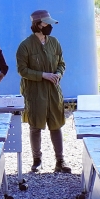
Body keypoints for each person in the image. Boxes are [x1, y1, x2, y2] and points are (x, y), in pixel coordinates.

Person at [16, 9, 70, 173]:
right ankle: (36, 160)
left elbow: (61, 63)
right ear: (37, 24)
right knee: (35, 126)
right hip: (34, 91)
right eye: (46, 23)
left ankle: (60, 161)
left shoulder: (54, 42)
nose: (50, 26)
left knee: (56, 125)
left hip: (53, 90)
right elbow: (22, 70)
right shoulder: (25, 46)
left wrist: (59, 73)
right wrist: (43, 75)